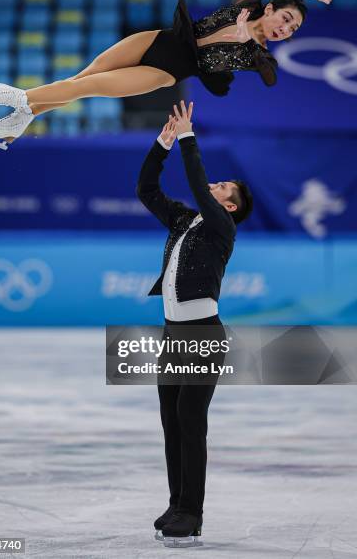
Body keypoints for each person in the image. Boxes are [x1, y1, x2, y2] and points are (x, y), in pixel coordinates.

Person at [0, 0, 332, 150]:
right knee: (81, 78)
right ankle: (18, 121)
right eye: (286, 19)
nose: (287, 29)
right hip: (154, 40)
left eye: (293, 29)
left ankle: (7, 95)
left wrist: (242, 39)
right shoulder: (246, 5)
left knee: (88, 88)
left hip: (163, 71)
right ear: (269, 8)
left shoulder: (258, 57)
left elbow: (271, 78)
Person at [136, 100, 253, 547]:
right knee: (171, 419)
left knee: (190, 418)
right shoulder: (185, 220)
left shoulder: (222, 227)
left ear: (231, 206)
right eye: (220, 182)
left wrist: (188, 137)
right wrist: (163, 142)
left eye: (226, 187)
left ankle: (193, 511)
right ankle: (176, 502)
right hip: (172, 335)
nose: (217, 186)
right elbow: (146, 189)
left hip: (204, 336)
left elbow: (201, 190)